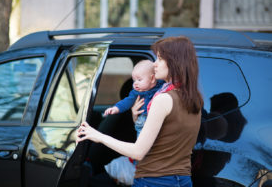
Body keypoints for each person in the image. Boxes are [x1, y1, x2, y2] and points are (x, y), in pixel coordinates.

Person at [77, 36, 204, 187]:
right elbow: (168, 140)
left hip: (154, 181)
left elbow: (138, 152)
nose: (155, 64)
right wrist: (137, 120)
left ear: (174, 62)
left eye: (160, 59)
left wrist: (97, 136)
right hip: (182, 180)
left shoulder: (162, 99)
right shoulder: (194, 99)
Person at [104, 59, 164, 137]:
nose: (135, 83)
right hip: (142, 121)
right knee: (143, 143)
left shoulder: (162, 87)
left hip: (156, 121)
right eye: (134, 80)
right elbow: (126, 102)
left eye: (139, 80)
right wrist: (116, 108)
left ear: (152, 79)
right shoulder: (136, 93)